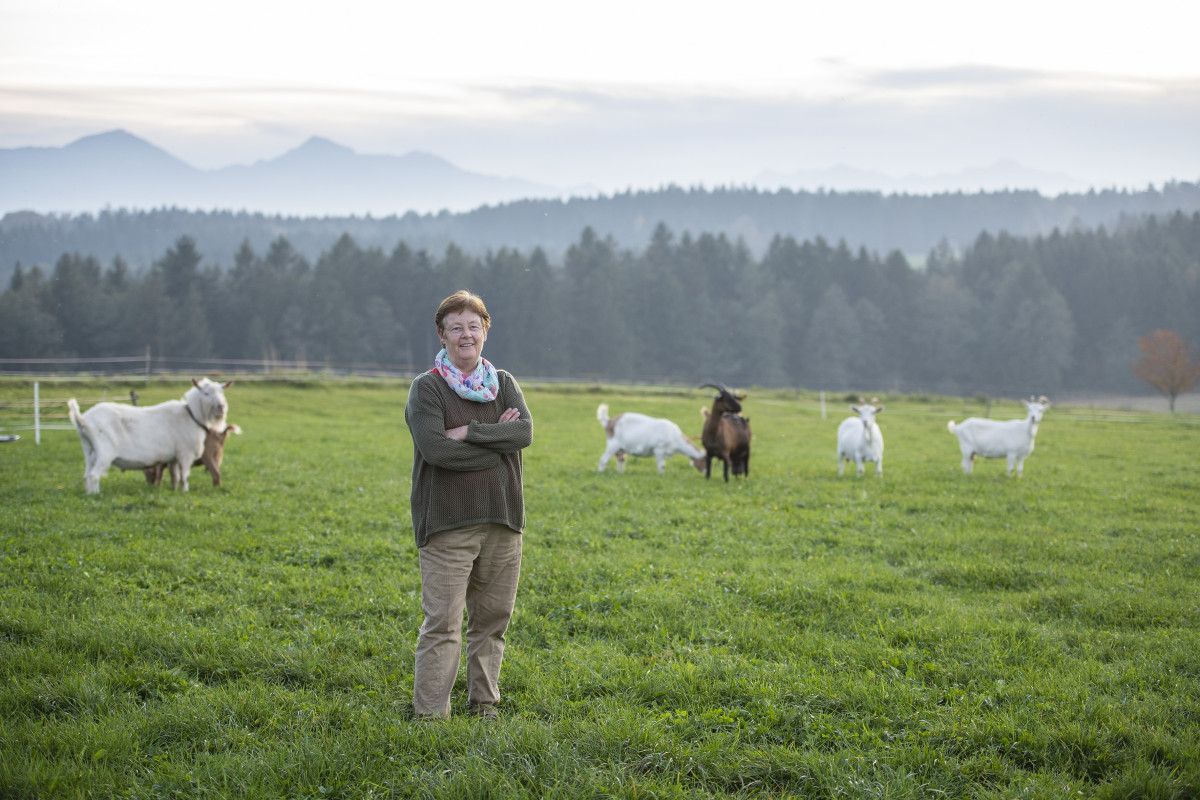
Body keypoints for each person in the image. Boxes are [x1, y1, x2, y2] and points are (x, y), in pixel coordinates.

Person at [404, 290, 533, 721]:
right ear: (442, 335)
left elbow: (523, 434)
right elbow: (437, 450)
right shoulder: (427, 389)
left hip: (503, 519)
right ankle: (429, 717)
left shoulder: (506, 384)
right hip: (447, 523)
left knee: (492, 620)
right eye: (456, 327)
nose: (466, 334)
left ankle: (484, 706)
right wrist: (495, 440)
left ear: (485, 331)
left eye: (473, 326)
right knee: (442, 625)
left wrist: (468, 432)